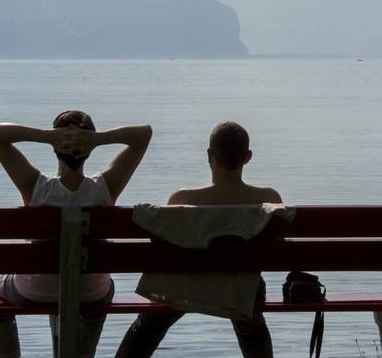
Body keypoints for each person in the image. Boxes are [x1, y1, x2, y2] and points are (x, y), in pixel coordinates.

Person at [0, 111, 153, 358]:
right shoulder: (106, 188)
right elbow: (144, 135)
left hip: (34, 290)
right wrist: (97, 139)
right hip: (91, 293)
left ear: (55, 148)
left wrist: (46, 136)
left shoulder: (35, 187)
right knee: (102, 291)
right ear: (89, 150)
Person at [114, 121, 281, 358]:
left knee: (147, 327)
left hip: (186, 286)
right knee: (251, 325)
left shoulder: (182, 198)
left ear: (210, 156)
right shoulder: (269, 199)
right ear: (248, 156)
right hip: (240, 289)